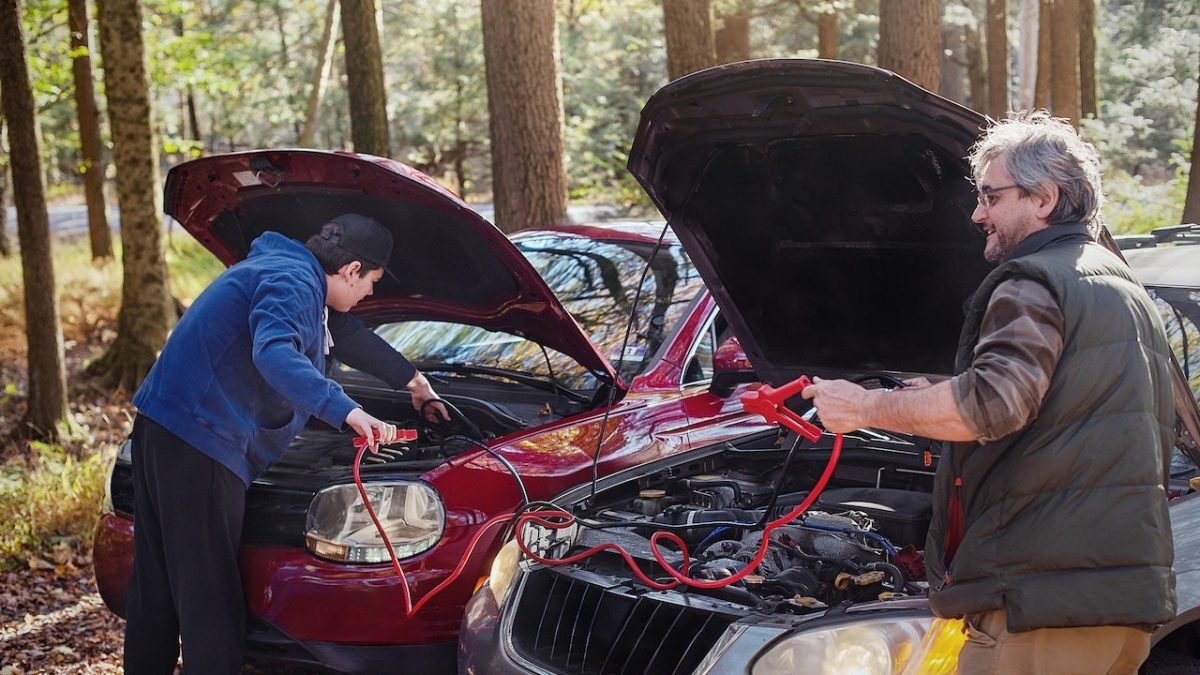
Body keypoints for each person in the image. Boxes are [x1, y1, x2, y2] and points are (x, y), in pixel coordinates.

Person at [802, 112, 1176, 674]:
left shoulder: (1034, 280)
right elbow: (1061, 400)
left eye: (991, 197)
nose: (978, 214)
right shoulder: (1116, 281)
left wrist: (864, 407)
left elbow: (991, 407)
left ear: (1044, 198)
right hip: (1108, 601)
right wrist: (939, 390)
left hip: (1040, 605)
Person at [123, 213, 449, 673]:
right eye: (371, 283)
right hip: (201, 440)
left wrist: (413, 381)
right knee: (208, 596)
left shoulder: (286, 270)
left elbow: (345, 335)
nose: (369, 295)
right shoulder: (293, 281)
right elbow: (275, 351)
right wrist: (348, 411)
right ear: (352, 270)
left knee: (155, 587)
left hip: (162, 427)